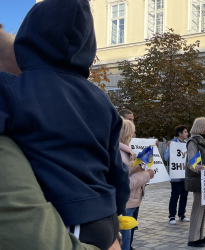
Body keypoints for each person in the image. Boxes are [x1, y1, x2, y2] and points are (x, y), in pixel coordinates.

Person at [0, 0, 130, 249]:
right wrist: (118, 207)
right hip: (105, 216)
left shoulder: (13, 88)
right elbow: (116, 170)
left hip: (69, 219)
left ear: (28, 36)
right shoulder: (101, 99)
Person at [119, 120, 154, 250]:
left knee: (127, 240)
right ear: (127, 134)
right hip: (126, 203)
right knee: (124, 243)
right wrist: (147, 175)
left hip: (130, 202)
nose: (133, 136)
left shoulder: (123, 151)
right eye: (132, 133)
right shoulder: (120, 154)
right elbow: (123, 184)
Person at [186, 117, 205, 247]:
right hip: (199, 178)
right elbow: (191, 161)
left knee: (204, 208)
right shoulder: (193, 141)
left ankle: (200, 235)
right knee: (198, 208)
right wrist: (198, 168)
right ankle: (193, 238)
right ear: (201, 126)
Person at [164, 125, 190, 224]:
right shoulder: (173, 143)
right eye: (185, 132)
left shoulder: (187, 144)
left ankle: (182, 214)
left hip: (185, 175)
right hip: (176, 176)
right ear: (180, 134)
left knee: (184, 195)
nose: (187, 134)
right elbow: (166, 158)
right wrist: (170, 148)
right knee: (175, 196)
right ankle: (171, 216)